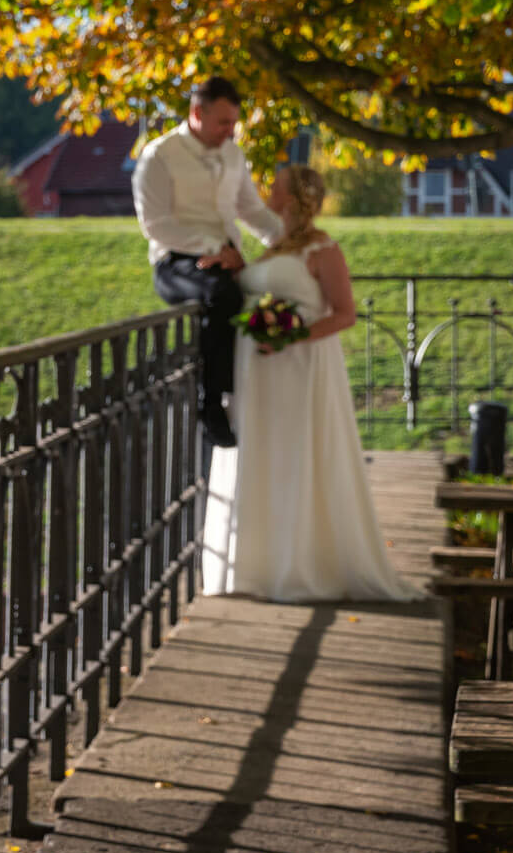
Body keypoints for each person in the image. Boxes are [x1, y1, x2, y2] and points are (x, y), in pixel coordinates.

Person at [199, 165, 419, 601]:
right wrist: (239, 268)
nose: (267, 189)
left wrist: (291, 336)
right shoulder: (274, 246)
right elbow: (257, 289)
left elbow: (344, 313)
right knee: (262, 453)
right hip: (257, 376)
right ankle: (255, 566)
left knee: (296, 454)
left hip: (299, 370)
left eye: (275, 185)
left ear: (294, 197)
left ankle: (299, 564)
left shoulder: (323, 247)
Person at [131, 76, 283, 447]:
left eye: (233, 122)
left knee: (275, 289)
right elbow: (155, 225)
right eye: (223, 123)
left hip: (226, 260)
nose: (230, 131)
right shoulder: (159, 156)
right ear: (197, 113)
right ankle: (210, 403)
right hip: (176, 262)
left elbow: (252, 210)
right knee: (223, 295)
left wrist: (293, 240)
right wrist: (211, 247)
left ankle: (267, 402)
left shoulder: (233, 154)